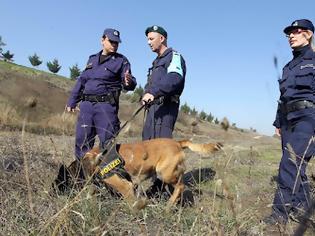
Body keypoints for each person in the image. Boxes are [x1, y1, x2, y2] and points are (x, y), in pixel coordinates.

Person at [264, 19, 315, 225]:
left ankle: (279, 216)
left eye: (296, 32)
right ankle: (304, 210)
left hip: (308, 117)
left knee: (290, 163)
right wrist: (278, 122)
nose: (291, 36)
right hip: (287, 120)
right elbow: (283, 97)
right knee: (297, 167)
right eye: (289, 34)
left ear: (308, 34)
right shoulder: (287, 67)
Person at [66, 28, 137, 159]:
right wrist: (72, 100)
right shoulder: (92, 59)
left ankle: (107, 177)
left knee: (107, 143)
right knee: (82, 141)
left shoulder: (121, 61)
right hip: (86, 106)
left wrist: (129, 81)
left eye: (117, 43)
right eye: (111, 41)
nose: (114, 45)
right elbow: (82, 80)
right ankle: (83, 175)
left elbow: (129, 82)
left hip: (105, 106)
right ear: (102, 40)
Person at [141, 25, 186, 140]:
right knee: (147, 145)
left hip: (165, 109)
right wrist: (145, 94)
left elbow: (174, 77)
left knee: (160, 149)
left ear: (161, 39)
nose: (148, 42)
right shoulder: (156, 62)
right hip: (152, 109)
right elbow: (151, 84)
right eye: (147, 39)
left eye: (151, 39)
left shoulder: (174, 56)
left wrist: (154, 93)